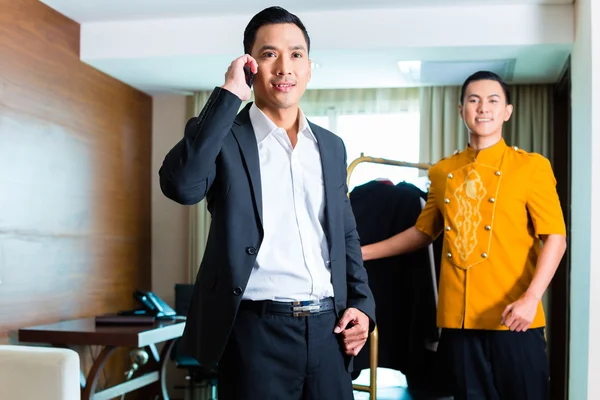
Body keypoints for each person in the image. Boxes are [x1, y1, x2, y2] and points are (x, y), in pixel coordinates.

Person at [159, 6, 375, 400]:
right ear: (250, 67)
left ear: (310, 67)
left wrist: (362, 303)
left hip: (328, 331)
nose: (284, 67)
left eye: (296, 54)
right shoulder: (223, 136)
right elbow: (181, 186)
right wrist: (228, 96)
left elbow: (344, 232)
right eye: (269, 54)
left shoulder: (331, 146)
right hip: (255, 334)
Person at [361, 70, 566, 400]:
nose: (482, 108)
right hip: (458, 325)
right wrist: (362, 253)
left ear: (507, 111)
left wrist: (531, 299)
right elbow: (423, 232)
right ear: (461, 110)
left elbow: (555, 237)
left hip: (515, 319)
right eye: (473, 100)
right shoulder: (442, 172)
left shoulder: (532, 167)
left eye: (492, 100)